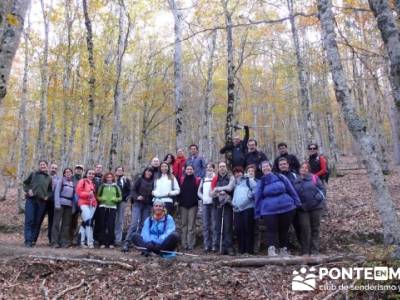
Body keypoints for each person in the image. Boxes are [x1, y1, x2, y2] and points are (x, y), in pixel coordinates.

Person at [254, 161, 300, 256]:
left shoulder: (280, 177)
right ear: (261, 170)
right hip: (269, 210)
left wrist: (297, 202)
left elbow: (291, 189)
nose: (266, 168)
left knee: (284, 229)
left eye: (267, 166)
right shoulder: (261, 181)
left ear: (271, 167)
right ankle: (272, 250)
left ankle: (284, 249)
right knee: (271, 230)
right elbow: (257, 197)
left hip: (287, 207)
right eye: (263, 167)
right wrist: (257, 212)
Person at [294, 163, 326, 255]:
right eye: (302, 167)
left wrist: (318, 198)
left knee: (315, 228)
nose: (304, 169)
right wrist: (299, 204)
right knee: (305, 229)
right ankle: (305, 251)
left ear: (309, 169)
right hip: (303, 209)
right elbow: (294, 194)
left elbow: (322, 189)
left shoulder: (314, 178)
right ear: (299, 169)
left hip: (316, 207)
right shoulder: (296, 180)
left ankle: (314, 251)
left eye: (306, 168)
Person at [122, 167, 155, 252]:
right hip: (137, 204)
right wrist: (137, 197)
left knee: (143, 225)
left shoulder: (153, 182)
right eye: (148, 171)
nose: (149, 173)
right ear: (145, 172)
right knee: (133, 223)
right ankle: (127, 242)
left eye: (150, 172)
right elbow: (132, 190)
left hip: (147, 205)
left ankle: (138, 243)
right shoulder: (140, 179)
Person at [23, 160, 52, 247]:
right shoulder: (33, 174)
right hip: (31, 200)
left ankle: (33, 240)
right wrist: (28, 190)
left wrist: (47, 196)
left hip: (42, 202)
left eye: (44, 164)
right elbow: (25, 184)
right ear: (39, 166)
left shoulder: (49, 178)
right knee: (30, 220)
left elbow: (50, 190)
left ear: (47, 166)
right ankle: (28, 240)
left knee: (37, 221)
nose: (43, 166)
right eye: (41, 165)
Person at [210, 161, 235, 256]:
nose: (222, 168)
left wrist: (218, 189)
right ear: (218, 168)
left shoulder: (230, 177)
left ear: (226, 168)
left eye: (224, 166)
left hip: (228, 205)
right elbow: (211, 193)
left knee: (228, 226)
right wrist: (218, 193)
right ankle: (221, 247)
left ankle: (229, 247)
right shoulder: (215, 178)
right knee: (218, 226)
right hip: (217, 205)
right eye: (220, 167)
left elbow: (229, 188)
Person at [232, 165, 257, 254]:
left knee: (248, 229)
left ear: (242, 173)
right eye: (235, 173)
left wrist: (249, 196)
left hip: (248, 208)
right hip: (238, 210)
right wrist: (233, 203)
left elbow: (256, 190)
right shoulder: (236, 184)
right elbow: (235, 195)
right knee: (239, 229)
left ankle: (249, 251)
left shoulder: (249, 181)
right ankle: (241, 250)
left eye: (239, 172)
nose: (237, 174)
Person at [97, 172, 122, 248]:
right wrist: (102, 199)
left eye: (110, 177)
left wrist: (116, 199)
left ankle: (111, 242)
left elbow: (120, 197)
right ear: (105, 178)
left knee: (111, 225)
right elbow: (97, 196)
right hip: (103, 207)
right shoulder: (102, 186)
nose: (109, 178)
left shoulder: (116, 187)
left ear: (113, 178)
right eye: (108, 177)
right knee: (102, 224)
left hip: (112, 207)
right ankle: (102, 242)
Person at [178, 165, 201, 250]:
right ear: (185, 170)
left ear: (193, 171)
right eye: (187, 169)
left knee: (191, 225)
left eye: (191, 169)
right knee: (184, 224)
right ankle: (184, 244)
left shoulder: (197, 180)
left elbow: (199, 192)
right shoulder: (181, 179)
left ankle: (191, 243)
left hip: (193, 205)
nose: (189, 170)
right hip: (183, 205)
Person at [52, 168, 74, 248]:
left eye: (70, 172)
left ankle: (63, 241)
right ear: (64, 174)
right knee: (56, 223)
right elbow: (57, 192)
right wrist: (57, 204)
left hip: (69, 205)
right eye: (66, 172)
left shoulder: (72, 183)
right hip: (60, 204)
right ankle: (55, 242)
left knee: (66, 224)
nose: (68, 173)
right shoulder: (61, 181)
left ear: (72, 174)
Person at [38, 163, 60, 245]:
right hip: (43, 201)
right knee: (39, 219)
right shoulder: (45, 177)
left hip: (53, 202)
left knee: (52, 221)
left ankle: (51, 240)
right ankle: (33, 239)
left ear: (57, 170)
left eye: (55, 168)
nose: (54, 169)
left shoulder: (59, 179)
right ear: (49, 168)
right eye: (52, 168)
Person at [197, 163, 216, 252]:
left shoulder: (216, 178)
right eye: (207, 167)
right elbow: (199, 192)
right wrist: (203, 197)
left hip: (214, 204)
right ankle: (206, 245)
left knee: (214, 225)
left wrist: (214, 197)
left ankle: (214, 245)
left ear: (213, 169)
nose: (209, 169)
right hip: (205, 204)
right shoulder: (203, 179)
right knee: (205, 225)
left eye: (210, 167)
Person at [76, 169, 97, 249]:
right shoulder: (82, 181)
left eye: (92, 174)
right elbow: (79, 192)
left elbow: (93, 195)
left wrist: (95, 202)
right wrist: (88, 194)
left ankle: (81, 241)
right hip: (84, 204)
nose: (91, 175)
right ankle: (90, 242)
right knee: (89, 222)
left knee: (85, 223)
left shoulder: (93, 184)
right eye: (89, 173)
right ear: (86, 174)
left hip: (92, 205)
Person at [114, 166, 131, 246]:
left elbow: (129, 190)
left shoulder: (126, 180)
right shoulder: (112, 179)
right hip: (111, 202)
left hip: (122, 202)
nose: (120, 171)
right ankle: (110, 237)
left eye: (121, 170)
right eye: (118, 170)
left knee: (120, 220)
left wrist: (126, 197)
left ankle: (118, 239)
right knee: (111, 219)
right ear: (116, 171)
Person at [69, 165, 84, 244]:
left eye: (80, 169)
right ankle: (69, 239)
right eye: (77, 169)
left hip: (81, 203)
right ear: (75, 170)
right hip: (72, 202)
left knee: (81, 221)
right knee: (71, 221)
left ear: (82, 171)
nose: (79, 170)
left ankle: (77, 239)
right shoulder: (71, 178)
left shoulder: (83, 179)